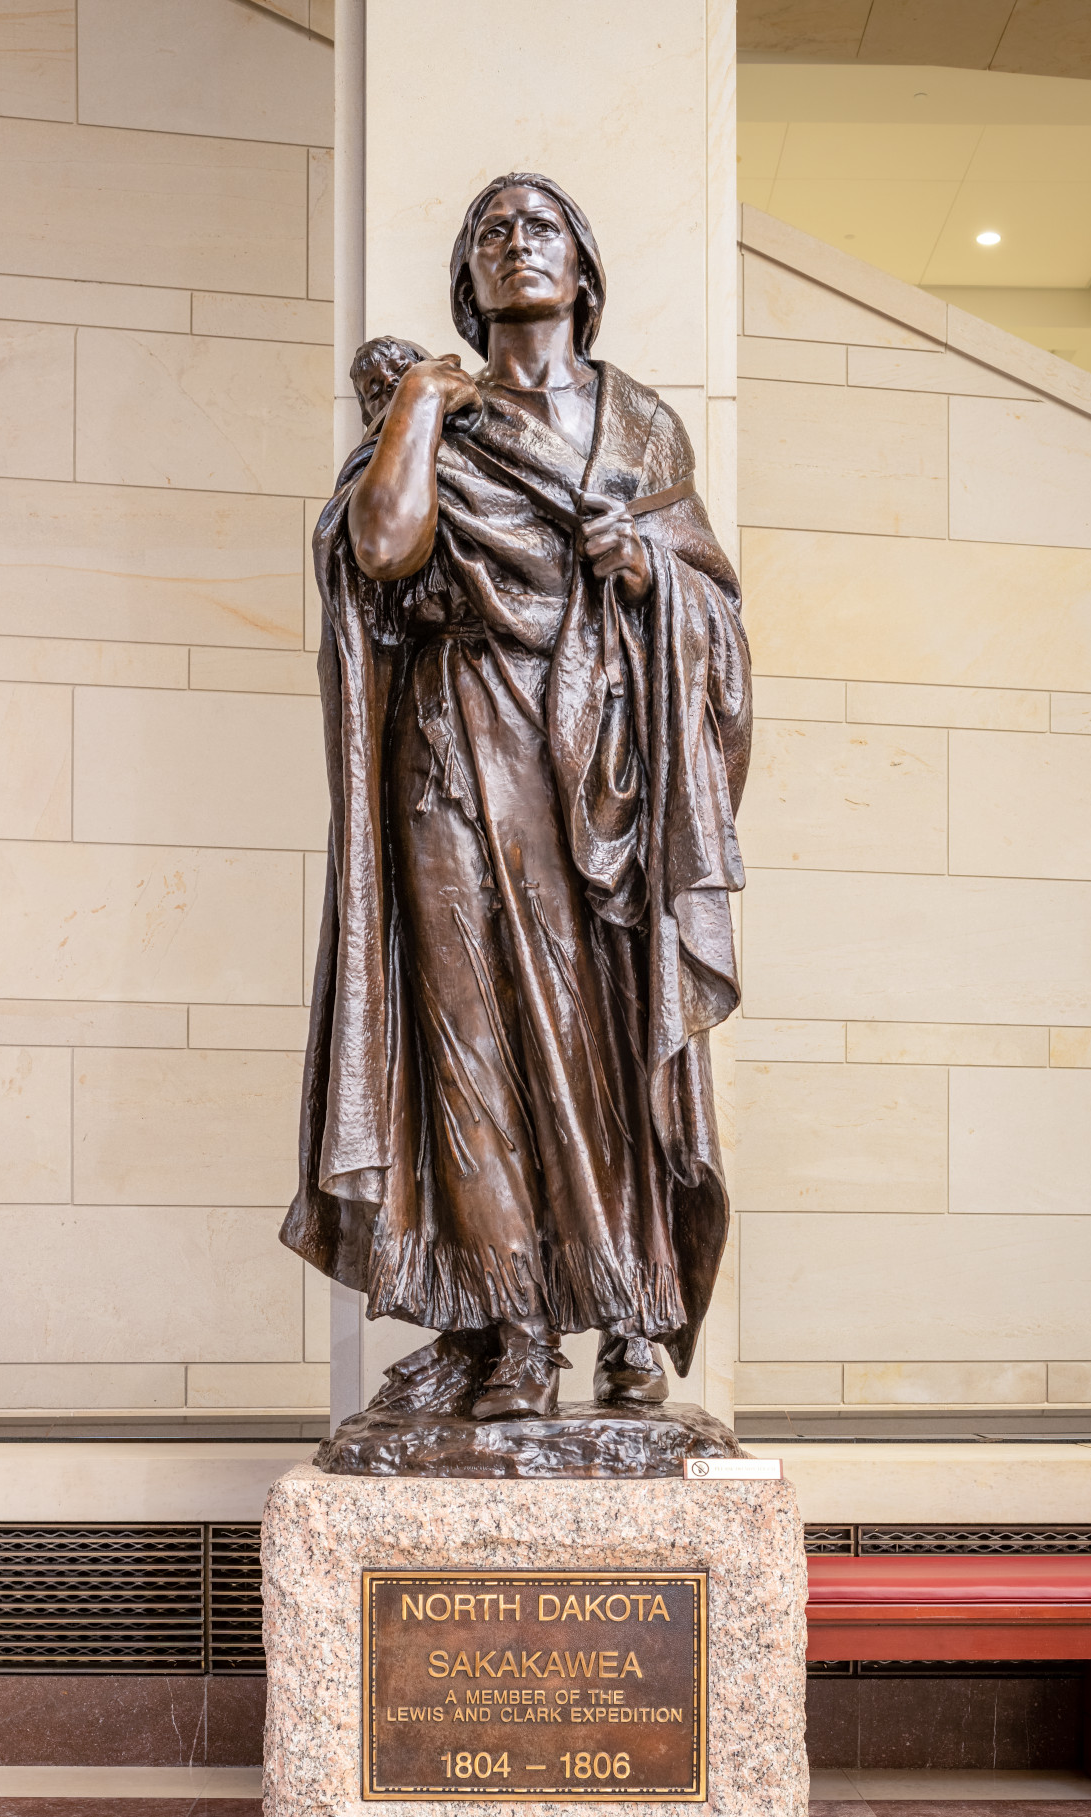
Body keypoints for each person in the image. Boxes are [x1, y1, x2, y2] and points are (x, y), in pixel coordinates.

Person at [281, 173, 751, 1421]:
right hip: (451, 751)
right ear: (467, 278)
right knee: (470, 1042)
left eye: (536, 226)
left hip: (597, 773)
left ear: (581, 273)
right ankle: (513, 1325)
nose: (513, 243)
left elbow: (714, 596)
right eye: (489, 231)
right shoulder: (432, 405)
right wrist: (422, 407)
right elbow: (380, 549)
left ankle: (632, 1308)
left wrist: (646, 568)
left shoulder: (638, 427)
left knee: (606, 1037)